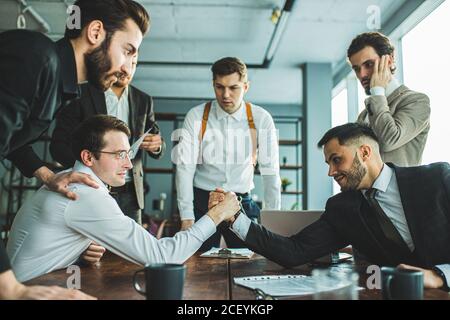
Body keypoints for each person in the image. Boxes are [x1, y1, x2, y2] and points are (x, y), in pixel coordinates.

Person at [0, 0, 149, 299]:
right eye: (128, 51)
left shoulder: (59, 87)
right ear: (95, 32)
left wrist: (47, 175)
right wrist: (9, 288)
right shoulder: (36, 56)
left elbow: (10, 141)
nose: (127, 67)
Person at [214, 123, 450, 290]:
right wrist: (236, 218)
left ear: (364, 152)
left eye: (337, 160)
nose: (331, 172)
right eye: (328, 163)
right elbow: (294, 251)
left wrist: (440, 277)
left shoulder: (437, 179)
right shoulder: (343, 208)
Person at [7, 115, 241, 282]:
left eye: (128, 154)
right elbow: (162, 256)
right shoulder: (86, 194)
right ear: (88, 157)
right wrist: (218, 214)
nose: (129, 164)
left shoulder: (68, 180)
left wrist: (80, 249)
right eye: (119, 155)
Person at [175, 57, 281, 251]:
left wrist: (273, 220)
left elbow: (270, 172)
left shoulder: (261, 119)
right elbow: (184, 169)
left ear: (246, 87)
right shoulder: (196, 116)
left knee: (250, 261)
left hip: (241, 201)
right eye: (219, 87)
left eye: (233, 88)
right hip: (202, 202)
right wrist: (187, 217)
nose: (225, 94)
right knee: (197, 264)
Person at [50, 55, 165, 224]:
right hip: (90, 187)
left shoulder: (144, 100)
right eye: (124, 61)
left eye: (134, 63)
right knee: (91, 247)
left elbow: (156, 138)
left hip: (131, 192)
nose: (128, 69)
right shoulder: (81, 93)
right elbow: (58, 146)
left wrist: (157, 145)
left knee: (131, 248)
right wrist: (85, 171)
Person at [347, 32, 430, 166]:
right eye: (357, 69)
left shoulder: (416, 101)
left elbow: (388, 140)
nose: (362, 75)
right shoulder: (364, 115)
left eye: (368, 64)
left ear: (389, 61)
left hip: (401, 187)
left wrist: (377, 90)